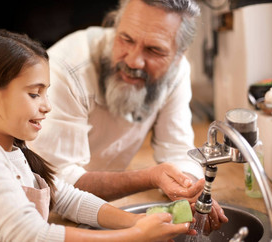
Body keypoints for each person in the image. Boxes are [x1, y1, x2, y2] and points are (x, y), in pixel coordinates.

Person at [0, 29, 196, 241]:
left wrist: (136, 221)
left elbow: (67, 198)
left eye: (46, 93)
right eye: (34, 94)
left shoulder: (12, 150)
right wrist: (135, 235)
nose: (47, 106)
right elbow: (30, 235)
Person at [26, 0, 228, 230]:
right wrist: (149, 177)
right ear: (115, 25)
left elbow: (176, 150)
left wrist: (189, 190)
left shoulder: (176, 72)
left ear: (178, 55)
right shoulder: (64, 71)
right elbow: (56, 183)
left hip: (101, 207)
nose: (133, 60)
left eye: (154, 50)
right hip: (45, 216)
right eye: (126, 39)